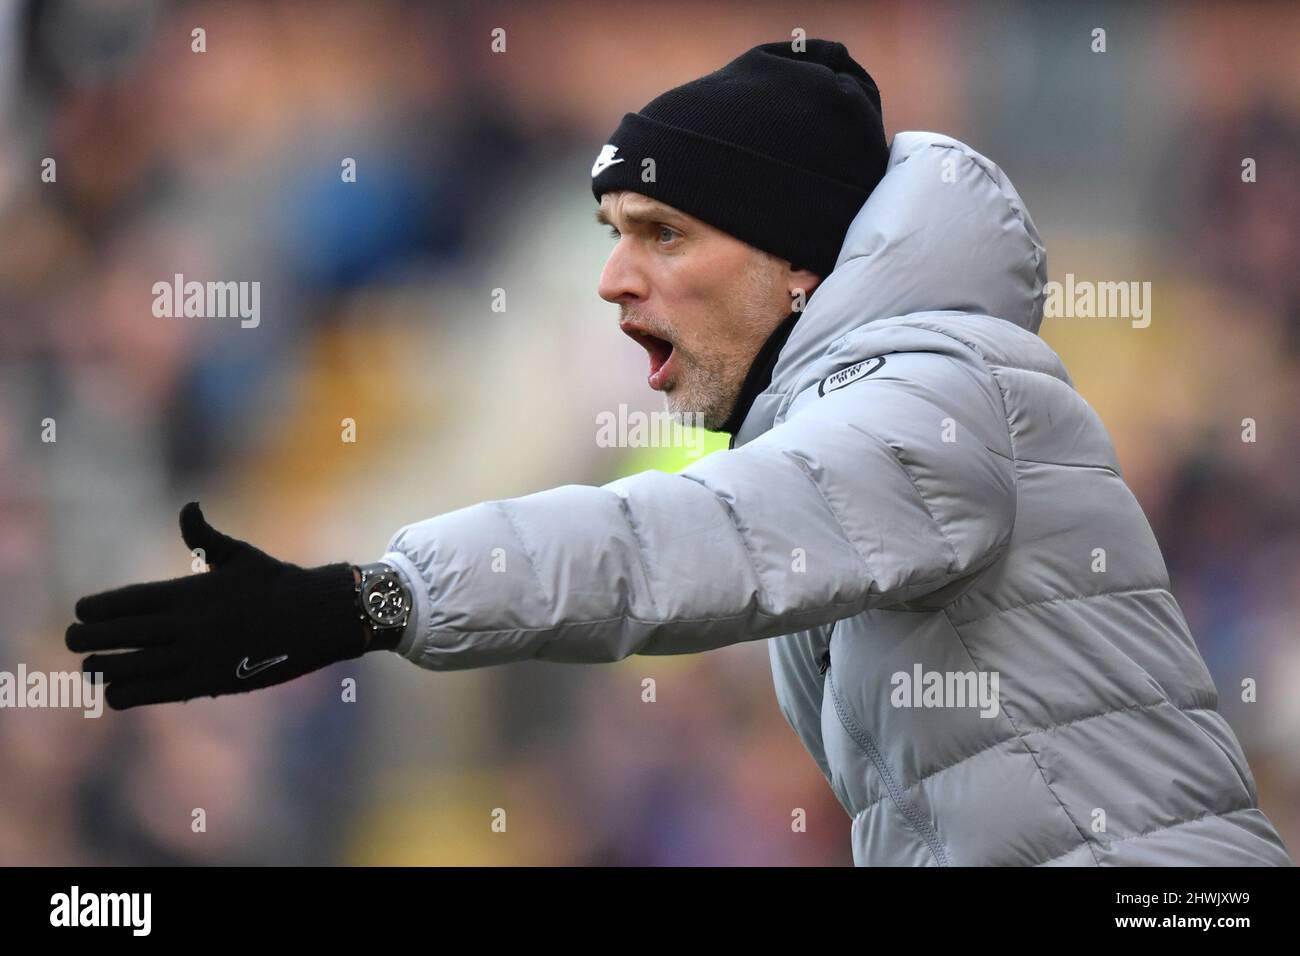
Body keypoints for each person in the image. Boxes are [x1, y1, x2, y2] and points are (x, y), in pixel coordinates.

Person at [66, 39, 1294, 867]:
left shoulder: (939, 388)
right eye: (611, 232)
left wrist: (373, 594)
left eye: (662, 232)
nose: (612, 278)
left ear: (794, 260)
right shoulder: (875, 398)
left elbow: (671, 544)